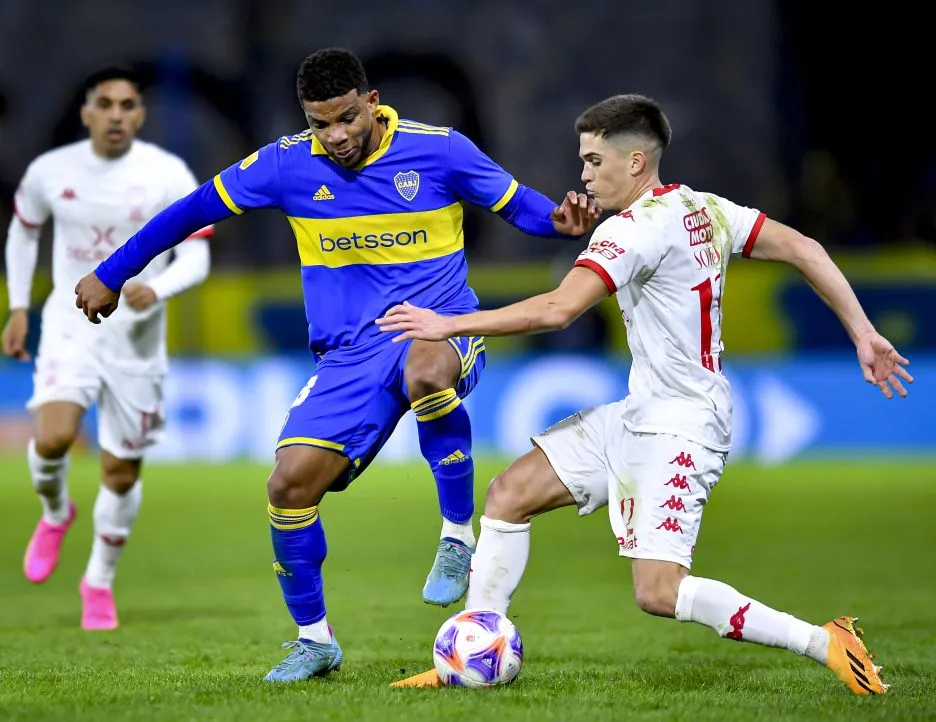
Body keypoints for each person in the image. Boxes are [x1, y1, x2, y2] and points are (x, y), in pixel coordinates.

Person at [72, 48, 597, 681]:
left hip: (438, 326)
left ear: (372, 103)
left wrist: (560, 222)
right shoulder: (285, 165)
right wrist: (111, 271)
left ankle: (458, 534)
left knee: (428, 372)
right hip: (349, 356)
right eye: (322, 124)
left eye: (347, 118)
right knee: (289, 485)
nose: (337, 136)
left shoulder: (441, 150)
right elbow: (189, 213)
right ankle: (314, 641)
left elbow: (520, 207)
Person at [380, 93, 911, 694]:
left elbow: (558, 310)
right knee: (508, 494)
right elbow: (804, 247)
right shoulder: (703, 208)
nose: (583, 174)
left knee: (658, 591)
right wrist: (864, 334)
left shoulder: (634, 232)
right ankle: (468, 654)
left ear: (635, 162)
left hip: (679, 427)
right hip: (642, 411)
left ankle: (825, 641)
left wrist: (447, 323)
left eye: (592, 160)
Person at [2, 65, 212, 631]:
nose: (116, 114)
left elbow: (197, 255)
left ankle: (97, 580)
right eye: (106, 104)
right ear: (87, 111)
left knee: (120, 474)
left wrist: (157, 287)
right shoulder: (51, 171)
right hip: (70, 326)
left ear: (140, 115)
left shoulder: (167, 173)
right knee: (53, 438)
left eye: (128, 105)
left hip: (137, 344)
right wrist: (19, 307)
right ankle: (55, 511)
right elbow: (23, 232)